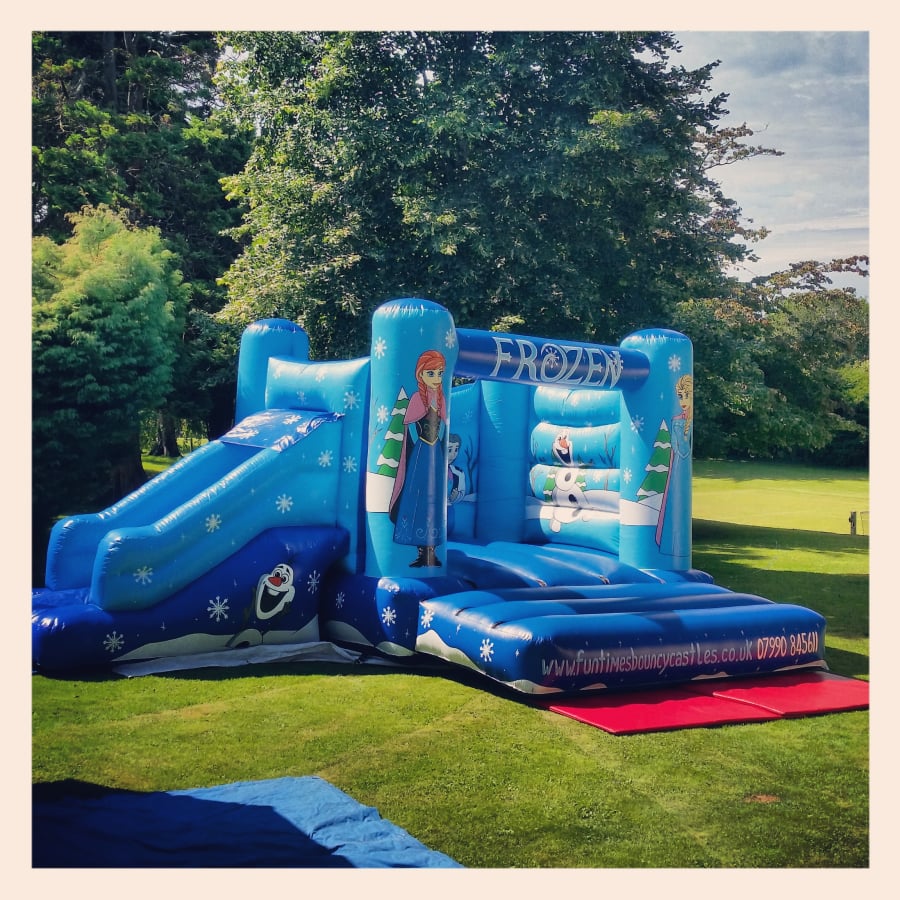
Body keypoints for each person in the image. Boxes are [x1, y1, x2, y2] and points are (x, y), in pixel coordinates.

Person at [389, 350, 448, 567]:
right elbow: (411, 428)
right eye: (431, 373)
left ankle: (431, 551)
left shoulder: (441, 399)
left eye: (439, 373)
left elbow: (443, 426)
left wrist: (439, 446)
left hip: (435, 454)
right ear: (420, 375)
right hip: (421, 454)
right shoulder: (416, 399)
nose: (436, 378)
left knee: (434, 498)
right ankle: (421, 551)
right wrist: (418, 447)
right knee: (418, 498)